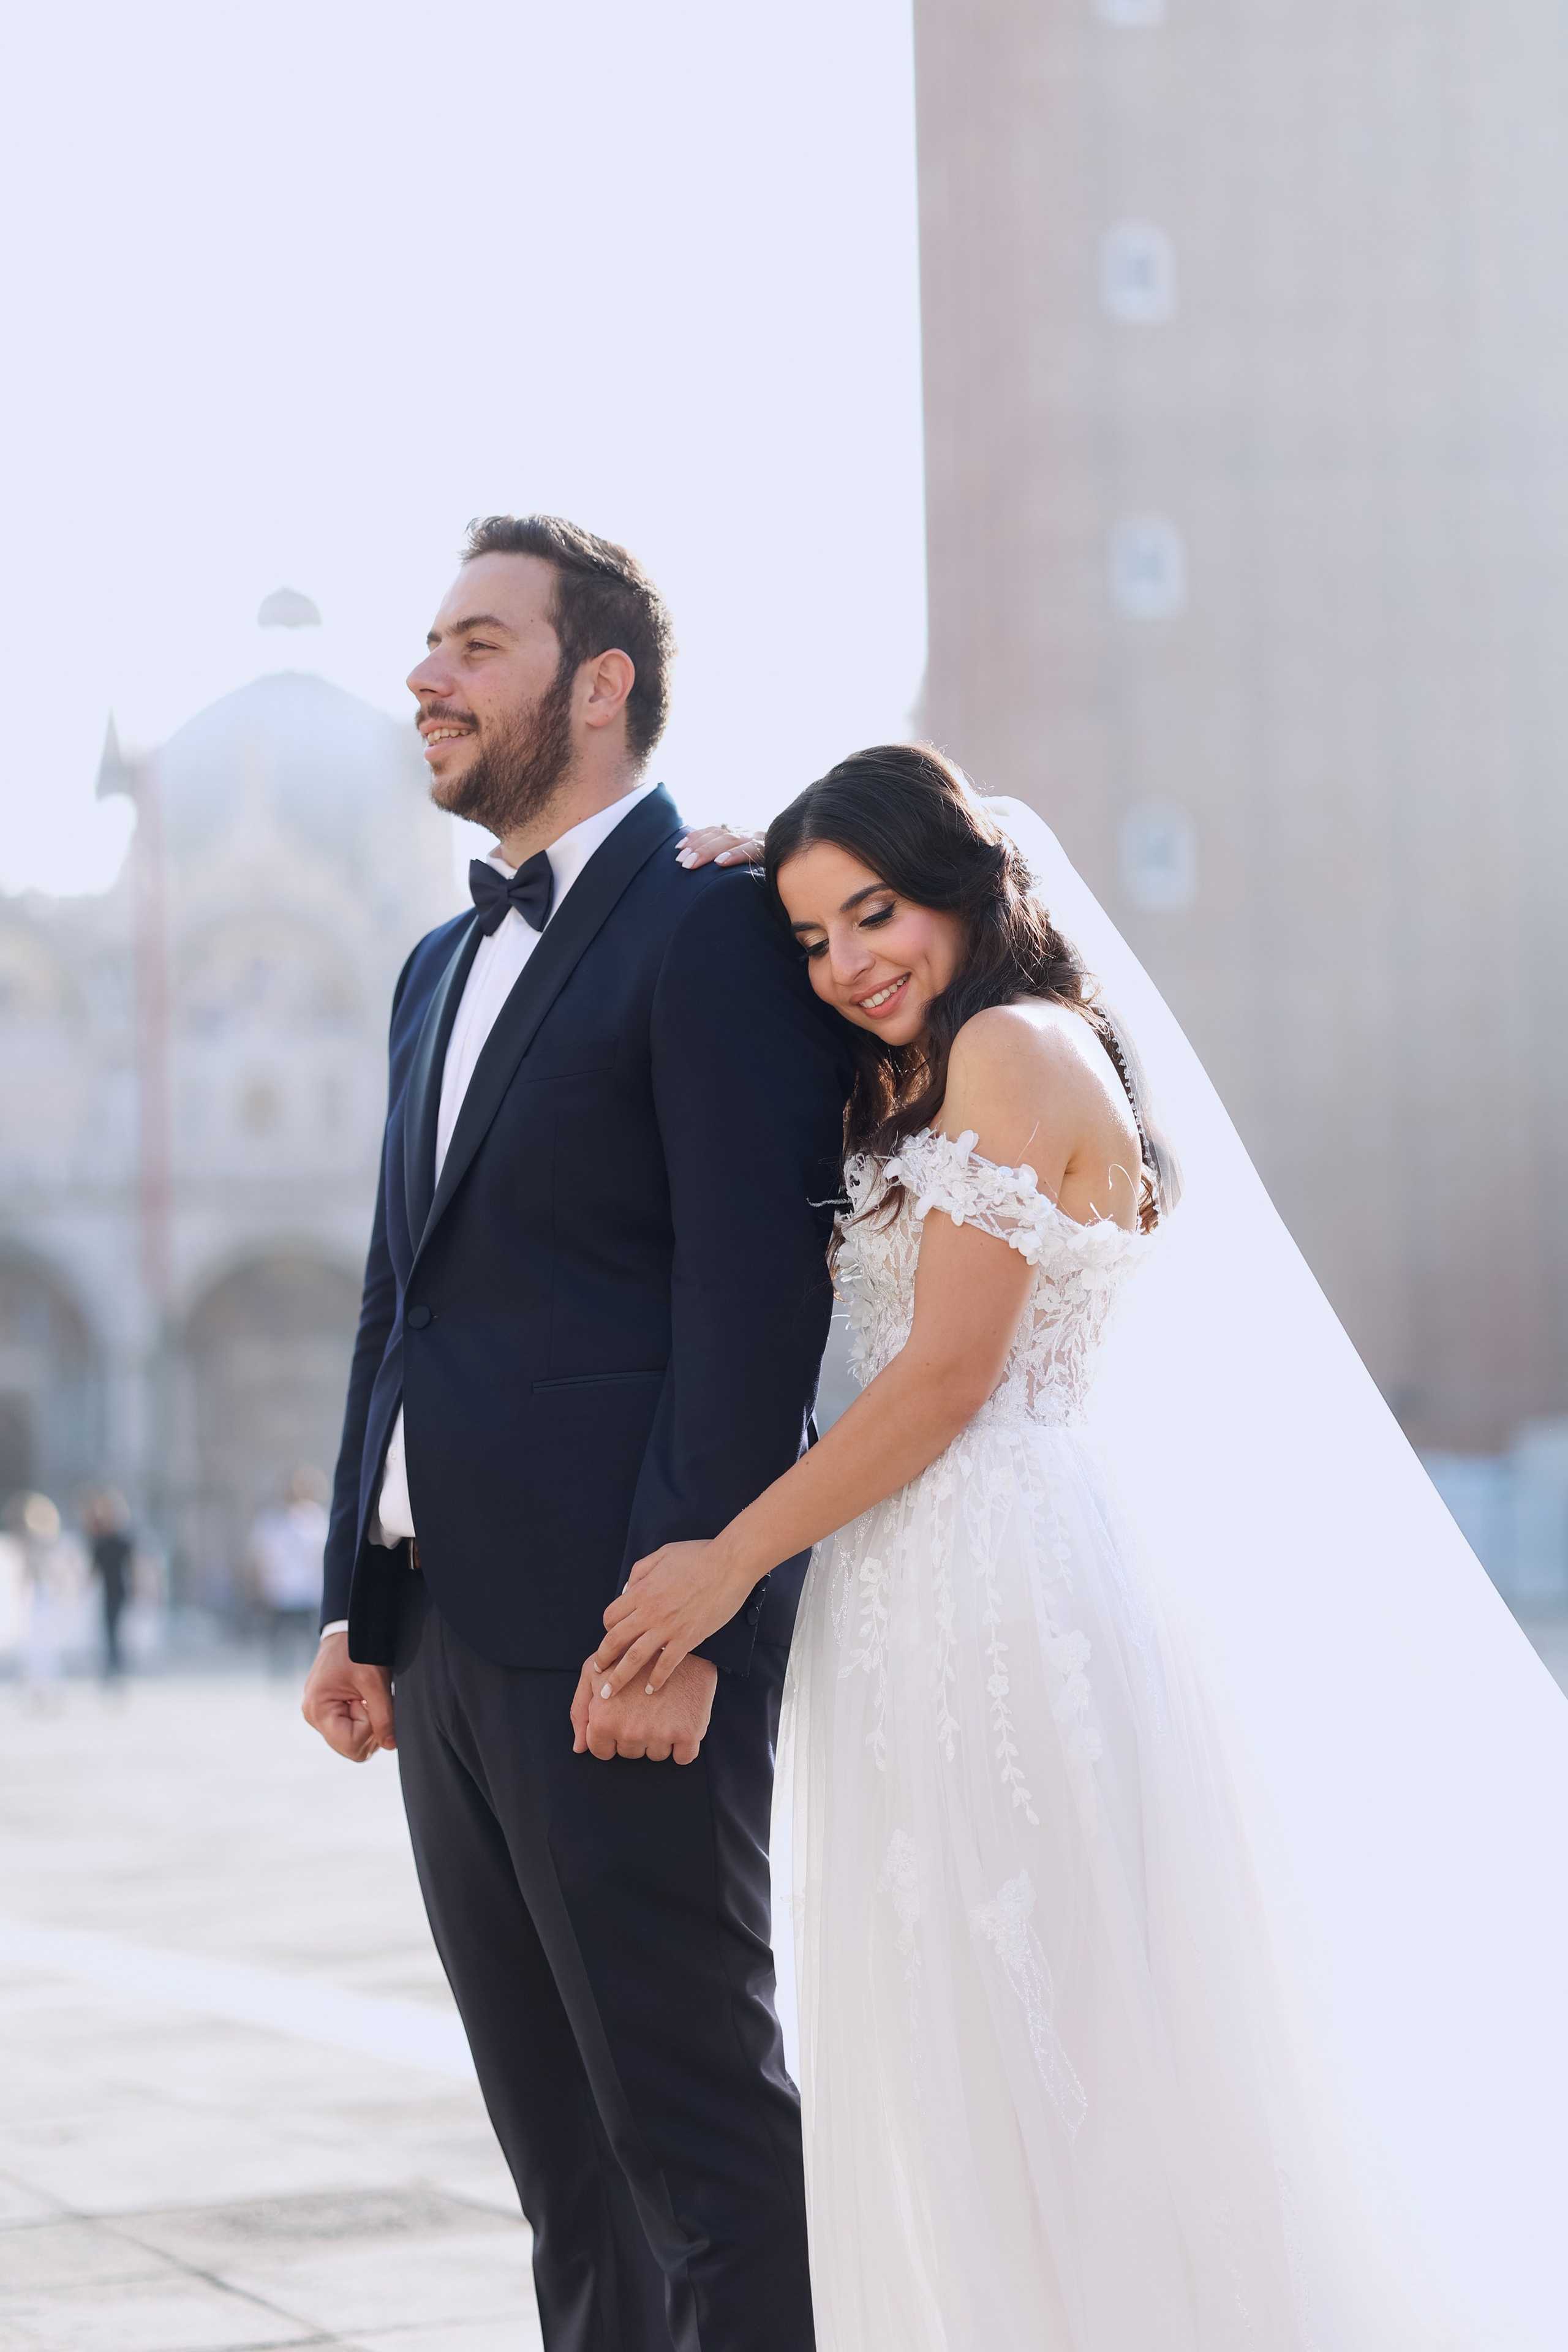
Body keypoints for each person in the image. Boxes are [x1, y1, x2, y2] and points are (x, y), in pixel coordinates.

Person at [597, 747, 1568, 2348]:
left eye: (878, 913)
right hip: (918, 1583)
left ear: (973, 888)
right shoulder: (942, 1060)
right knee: (959, 2025)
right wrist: (773, 852)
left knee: (1058, 2025)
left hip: (1004, 1578)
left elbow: (945, 1379)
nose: (851, 966)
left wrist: (725, 1562)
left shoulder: (1017, 1050)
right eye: (818, 938)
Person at [302, 514, 851, 2352]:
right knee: (562, 2173)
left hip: (628, 1634)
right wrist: (357, 1606)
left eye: (475, 641)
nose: (424, 678)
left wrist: (683, 1615)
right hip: (447, 1640)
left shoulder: (711, 924)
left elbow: (751, 1302)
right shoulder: (426, 972)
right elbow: (404, 1297)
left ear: (598, 683)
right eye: (429, 645)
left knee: (696, 2143)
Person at [244, 1468, 328, 1673]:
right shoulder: (271, 1520)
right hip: (280, 1592)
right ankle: (282, 1680)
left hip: (307, 1593)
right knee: (280, 1646)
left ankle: (311, 1678)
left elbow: (323, 1556)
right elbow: (259, 1558)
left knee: (311, 1645)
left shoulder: (315, 1518)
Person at [84, 1488, 134, 1679]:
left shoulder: (120, 1541)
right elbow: (94, 1569)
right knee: (111, 1629)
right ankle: (114, 1665)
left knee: (114, 1629)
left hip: (118, 1590)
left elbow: (132, 1566)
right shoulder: (103, 1542)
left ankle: (115, 1665)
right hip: (110, 1591)